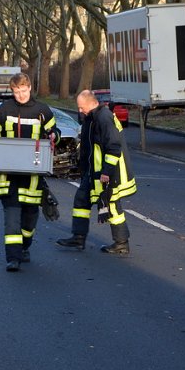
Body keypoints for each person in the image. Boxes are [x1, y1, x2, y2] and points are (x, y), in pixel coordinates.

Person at [0, 72, 59, 272]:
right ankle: (13, 258)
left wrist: (53, 135)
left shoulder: (42, 110)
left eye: (23, 90)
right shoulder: (5, 109)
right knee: (11, 219)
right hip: (7, 175)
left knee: (29, 220)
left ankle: (25, 246)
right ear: (12, 91)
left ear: (30, 88)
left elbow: (56, 133)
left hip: (33, 177)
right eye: (16, 91)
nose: (20, 95)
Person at [56, 90, 138, 255]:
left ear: (91, 103)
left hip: (108, 174)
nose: (79, 111)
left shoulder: (103, 118)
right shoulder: (92, 117)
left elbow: (113, 147)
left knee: (112, 206)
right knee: (81, 200)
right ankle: (78, 238)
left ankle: (121, 243)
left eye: (81, 107)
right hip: (93, 172)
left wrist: (107, 172)